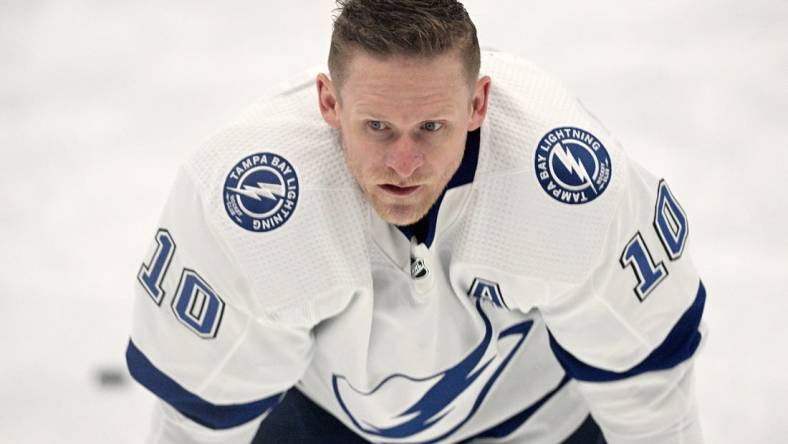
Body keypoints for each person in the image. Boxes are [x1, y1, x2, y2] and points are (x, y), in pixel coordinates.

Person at [126, 1, 707, 443]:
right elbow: (196, 422)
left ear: (479, 104)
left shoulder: (568, 183)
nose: (403, 165)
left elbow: (648, 391)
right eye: (377, 126)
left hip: (535, 426)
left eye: (431, 127)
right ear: (328, 102)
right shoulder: (252, 205)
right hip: (323, 425)